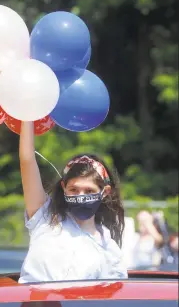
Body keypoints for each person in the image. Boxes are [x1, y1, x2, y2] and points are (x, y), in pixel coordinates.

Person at [19, 121, 128, 283]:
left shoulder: (109, 249)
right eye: (74, 190)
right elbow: (27, 159)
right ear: (64, 188)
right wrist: (27, 114)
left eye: (89, 191)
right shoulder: (45, 218)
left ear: (105, 192)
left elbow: (110, 302)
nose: (81, 196)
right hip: (32, 306)